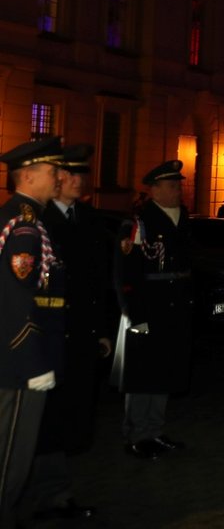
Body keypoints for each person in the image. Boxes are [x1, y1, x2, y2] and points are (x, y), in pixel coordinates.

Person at [24, 144, 115, 522]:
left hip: (80, 334)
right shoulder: (37, 221)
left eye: (82, 175)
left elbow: (100, 282)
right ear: (56, 179)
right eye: (70, 175)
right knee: (47, 421)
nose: (79, 182)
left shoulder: (89, 219)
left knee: (73, 416)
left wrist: (103, 330)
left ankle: (57, 492)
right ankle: (48, 495)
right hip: (49, 336)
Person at [0, 137, 66, 529]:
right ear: (27, 175)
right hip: (17, 361)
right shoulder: (23, 226)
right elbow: (15, 296)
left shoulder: (23, 219)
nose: (58, 178)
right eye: (51, 172)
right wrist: (32, 360)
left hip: (14, 355)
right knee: (11, 457)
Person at [110, 160, 193, 460]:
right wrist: (134, 313)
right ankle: (136, 434)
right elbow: (125, 273)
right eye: (172, 186)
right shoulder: (138, 222)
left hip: (174, 309)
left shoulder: (183, 217)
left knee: (165, 371)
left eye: (179, 185)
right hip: (148, 307)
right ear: (154, 189)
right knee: (141, 373)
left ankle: (155, 431)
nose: (178, 191)